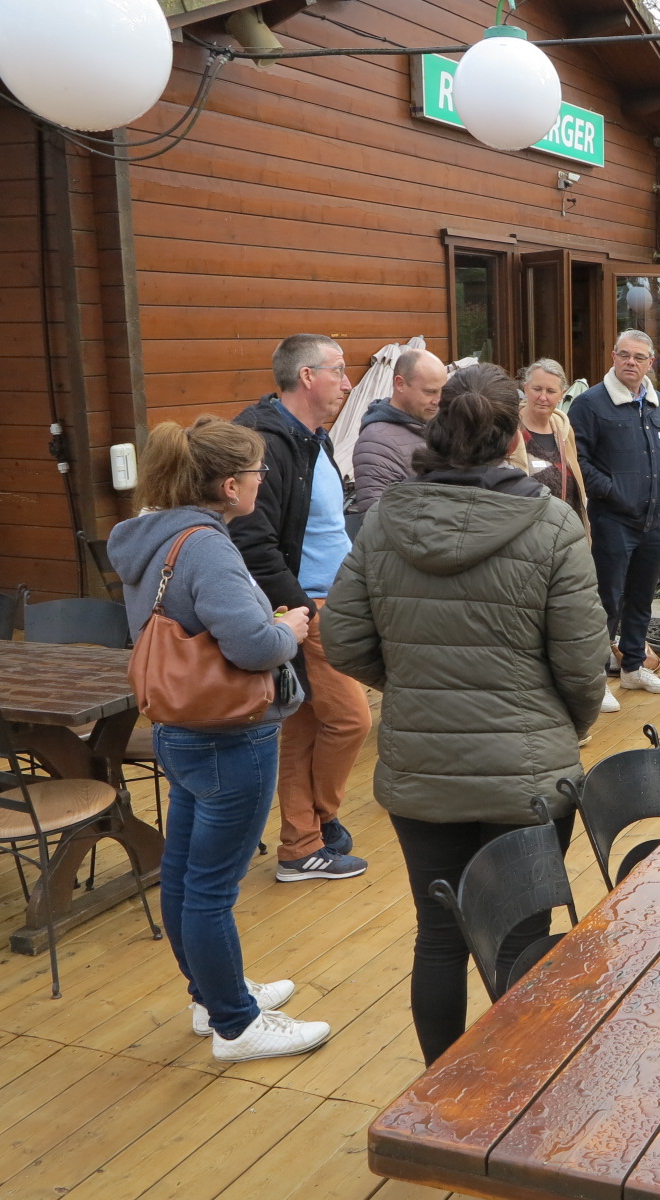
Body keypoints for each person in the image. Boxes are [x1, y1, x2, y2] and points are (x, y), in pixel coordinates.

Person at [322, 365, 608, 1066]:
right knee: (520, 937)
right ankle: (514, 1104)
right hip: (529, 770)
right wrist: (564, 726)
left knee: (440, 935)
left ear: (438, 424)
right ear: (514, 436)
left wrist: (417, 684)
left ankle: (441, 1100)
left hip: (425, 767)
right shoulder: (551, 523)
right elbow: (582, 663)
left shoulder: (388, 518)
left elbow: (344, 640)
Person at [108, 416, 331, 1062]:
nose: (265, 481)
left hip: (179, 728)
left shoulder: (150, 537)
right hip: (231, 736)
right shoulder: (207, 547)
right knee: (210, 888)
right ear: (231, 486)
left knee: (183, 874)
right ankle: (236, 1022)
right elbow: (255, 645)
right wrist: (288, 624)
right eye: (259, 473)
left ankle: (213, 995)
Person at [231, 334, 371, 882]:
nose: (349, 382)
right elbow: (253, 540)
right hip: (306, 606)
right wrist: (300, 609)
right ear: (307, 376)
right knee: (351, 720)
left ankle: (301, 844)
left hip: (329, 601)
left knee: (310, 726)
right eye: (339, 370)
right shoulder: (265, 443)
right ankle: (322, 824)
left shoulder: (311, 437)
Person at [568, 330, 660, 707]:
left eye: (639, 357)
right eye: (624, 355)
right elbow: (578, 460)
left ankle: (633, 668)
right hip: (612, 521)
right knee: (606, 600)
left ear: (652, 362)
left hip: (655, 519)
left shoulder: (658, 403)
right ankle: (596, 679)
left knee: (642, 597)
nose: (630, 362)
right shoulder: (590, 404)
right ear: (613, 356)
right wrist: (614, 491)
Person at [349, 349, 448, 514]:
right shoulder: (376, 442)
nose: (438, 401)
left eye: (442, 391)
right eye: (429, 391)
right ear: (400, 384)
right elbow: (377, 517)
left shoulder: (439, 425)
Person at [511, 358, 586, 522]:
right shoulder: (509, 430)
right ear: (525, 389)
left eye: (551, 391)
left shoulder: (565, 431)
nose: (543, 397)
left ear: (562, 395)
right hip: (525, 531)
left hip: (563, 531)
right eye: (537, 389)